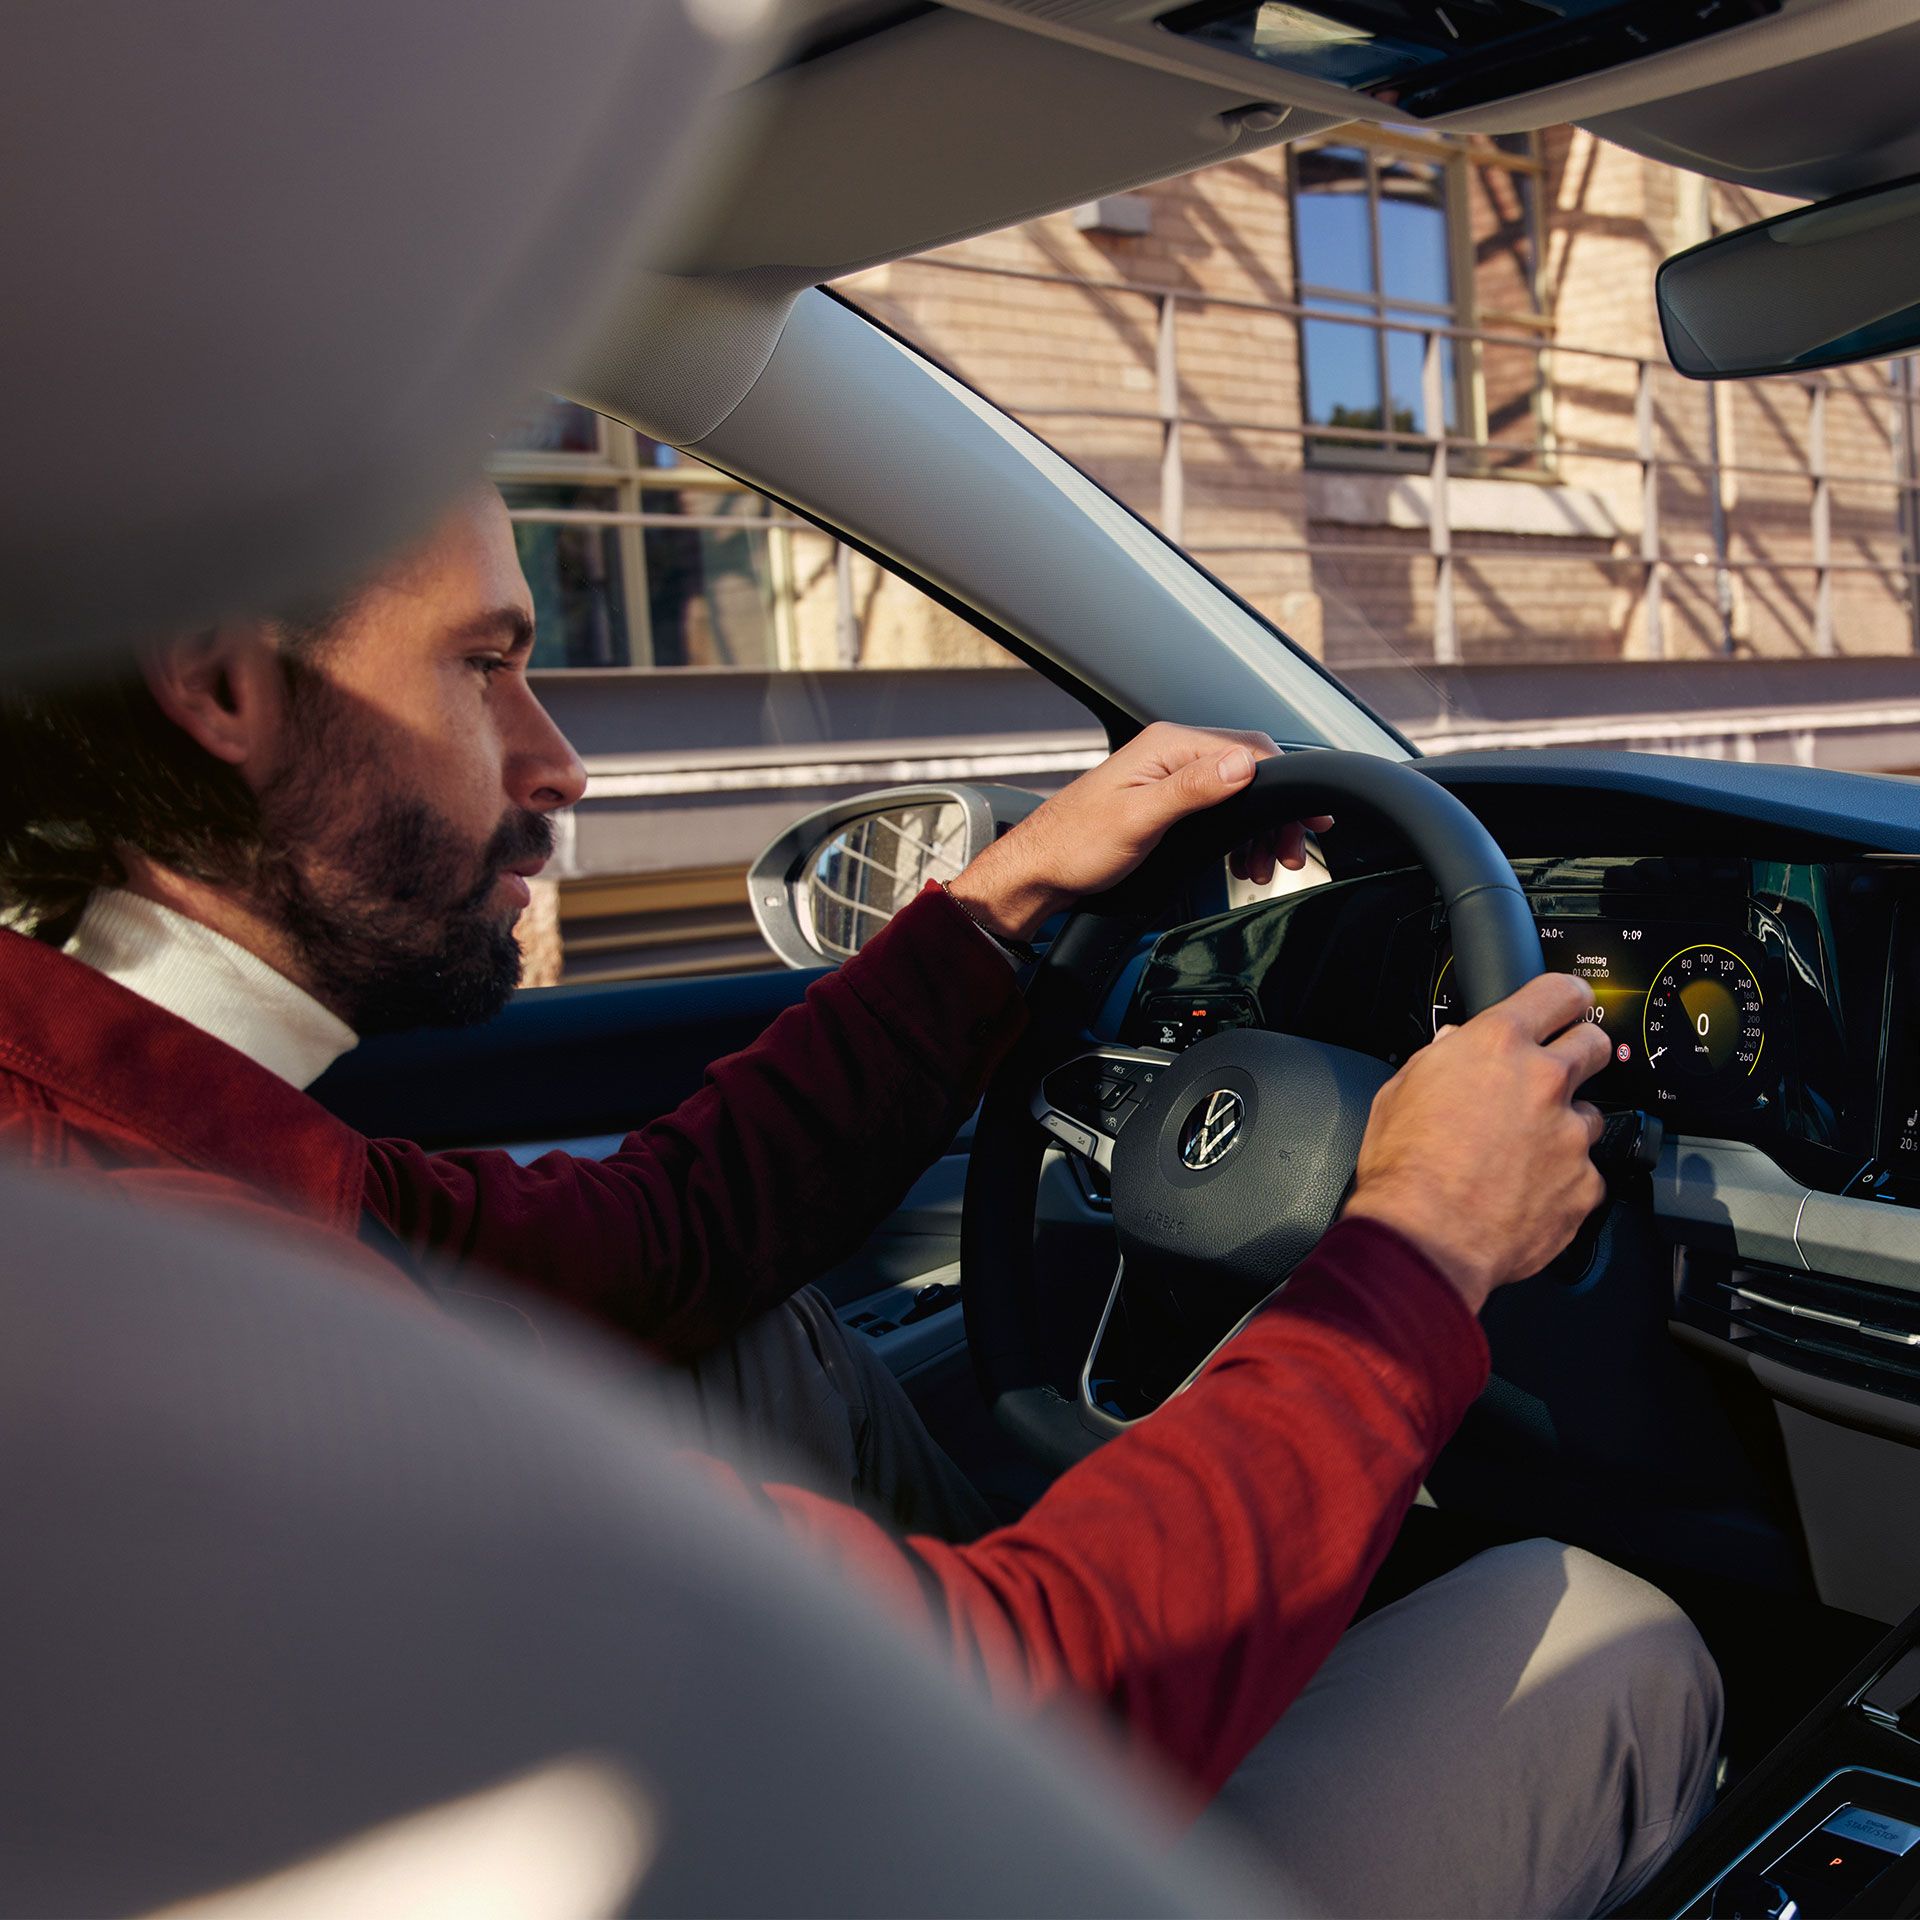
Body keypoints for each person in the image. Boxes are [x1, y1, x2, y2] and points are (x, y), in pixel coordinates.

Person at [0, 482, 1719, 1916]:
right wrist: (1419, 1240)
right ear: (222, 683)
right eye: (486, 666)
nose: (559, 763)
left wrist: (1001, 903)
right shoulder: (153, 1311)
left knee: (746, 1328)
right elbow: (1033, 1698)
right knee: (1608, 1641)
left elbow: (654, 1240)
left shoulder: (133, 1126)